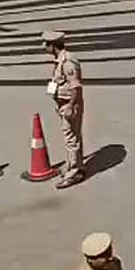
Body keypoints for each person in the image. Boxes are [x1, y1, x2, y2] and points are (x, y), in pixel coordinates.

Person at [46, 30, 86, 189]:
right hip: (63, 104)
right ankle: (74, 165)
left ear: (53, 45)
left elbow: (76, 86)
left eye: (46, 44)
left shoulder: (68, 62)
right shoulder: (59, 60)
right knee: (72, 136)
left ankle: (75, 172)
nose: (44, 46)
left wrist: (70, 105)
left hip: (70, 105)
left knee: (71, 138)